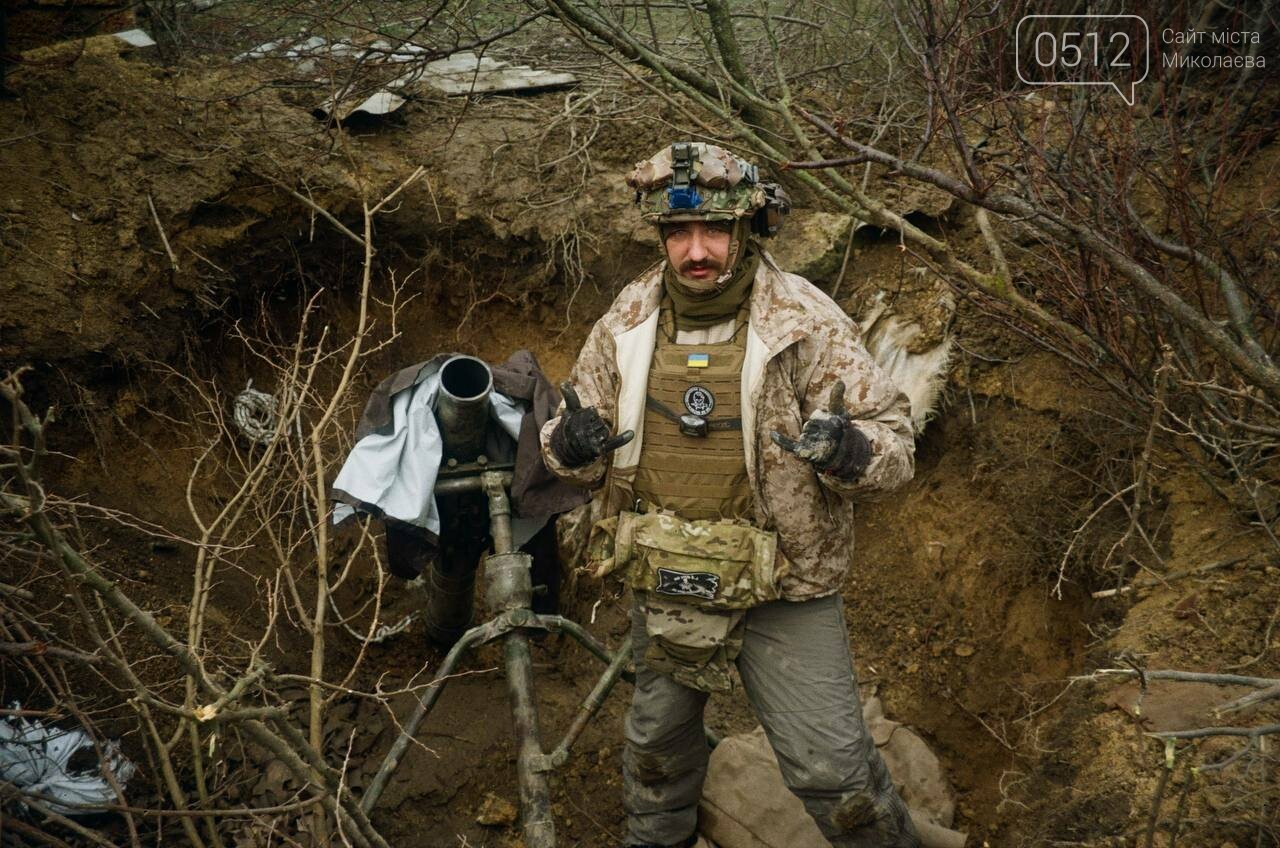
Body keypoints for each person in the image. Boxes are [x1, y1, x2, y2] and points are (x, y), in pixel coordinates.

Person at [539, 142, 921, 848]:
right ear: (661, 237)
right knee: (655, 760)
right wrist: (572, 446)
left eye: (713, 231)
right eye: (679, 234)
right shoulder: (628, 321)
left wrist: (848, 451)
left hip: (786, 587)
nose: (696, 252)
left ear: (746, 231)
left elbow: (895, 445)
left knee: (835, 777)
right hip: (667, 575)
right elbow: (568, 434)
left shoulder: (803, 321)